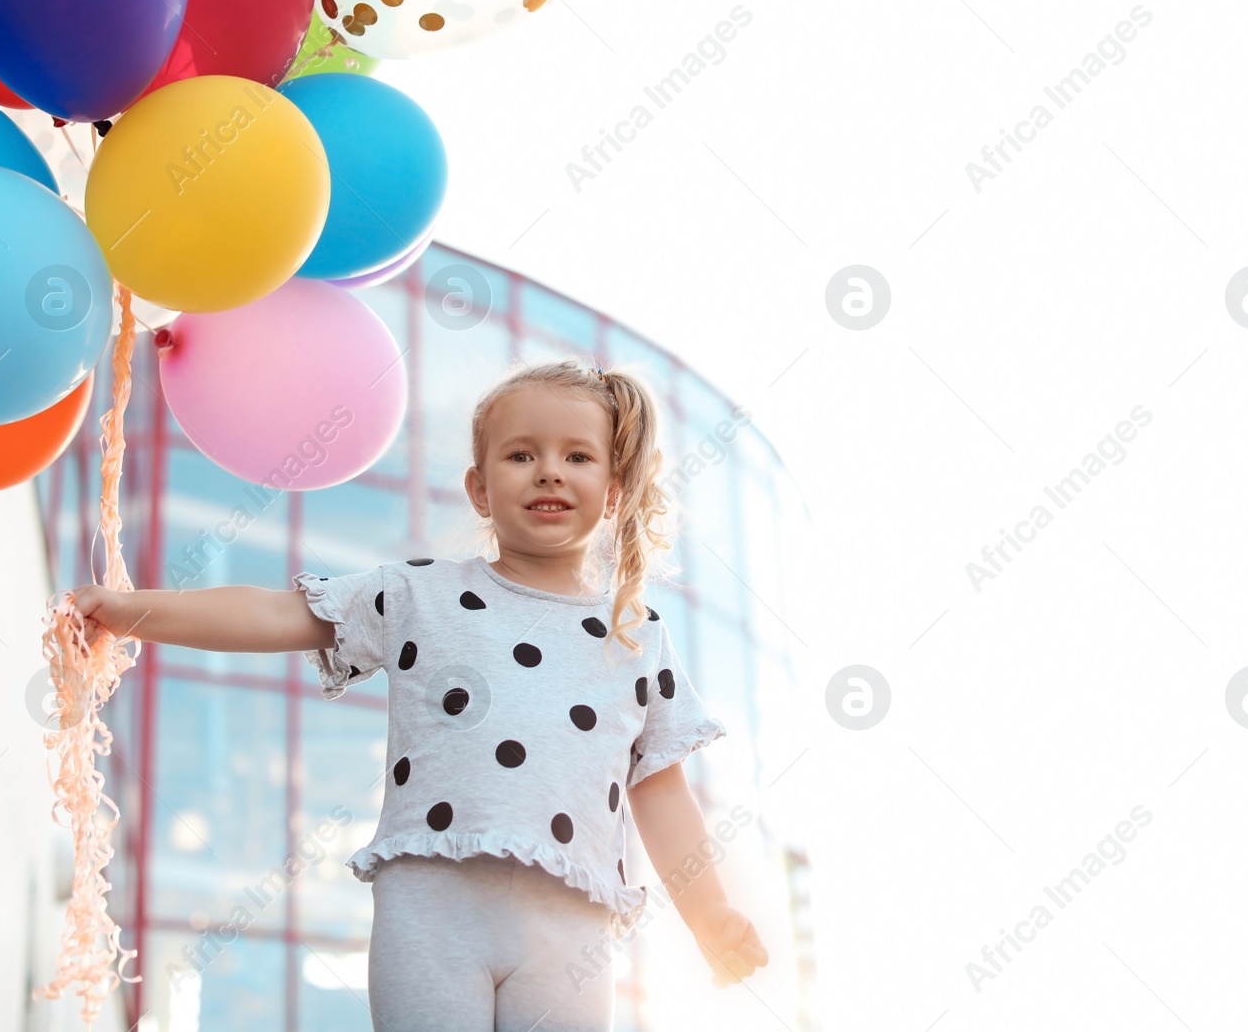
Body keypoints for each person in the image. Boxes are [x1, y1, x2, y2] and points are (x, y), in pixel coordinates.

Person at [70, 358, 768, 1030]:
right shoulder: (415, 595)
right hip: (431, 907)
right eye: (521, 454)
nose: (549, 469)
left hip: (570, 921)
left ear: (614, 490)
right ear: (479, 489)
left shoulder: (635, 635)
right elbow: (274, 614)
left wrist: (709, 914)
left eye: (578, 457)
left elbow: (662, 794)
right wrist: (130, 610)